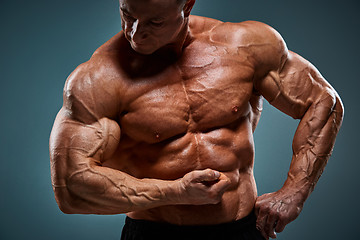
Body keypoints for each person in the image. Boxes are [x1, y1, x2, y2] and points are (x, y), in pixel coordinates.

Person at [49, 0, 344, 239]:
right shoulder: (97, 80)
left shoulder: (246, 46)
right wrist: (175, 192)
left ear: (187, 6)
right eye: (128, 15)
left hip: (242, 230)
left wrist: (295, 191)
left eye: (154, 22)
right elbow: (70, 188)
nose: (136, 33)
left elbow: (323, 102)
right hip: (155, 233)